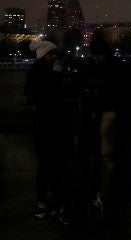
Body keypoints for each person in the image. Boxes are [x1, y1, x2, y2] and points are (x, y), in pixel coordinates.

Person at [77, 35, 131, 214]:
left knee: (103, 156)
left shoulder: (92, 69)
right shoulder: (113, 68)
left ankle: (100, 195)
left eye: (99, 55)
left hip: (102, 114)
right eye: (95, 55)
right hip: (102, 114)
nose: (97, 58)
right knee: (104, 156)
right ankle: (102, 194)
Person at [24, 40, 72, 221]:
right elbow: (51, 96)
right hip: (49, 126)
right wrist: (59, 76)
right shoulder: (45, 73)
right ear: (43, 55)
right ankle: (47, 202)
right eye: (51, 54)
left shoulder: (38, 72)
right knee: (50, 166)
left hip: (44, 126)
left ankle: (45, 202)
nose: (54, 58)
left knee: (47, 166)